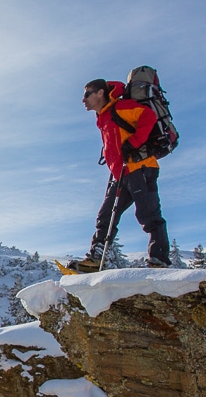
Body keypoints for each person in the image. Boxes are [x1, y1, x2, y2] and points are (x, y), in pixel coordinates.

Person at [73, 78, 171, 271]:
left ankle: (160, 260)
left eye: (87, 94)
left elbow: (148, 116)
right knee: (105, 217)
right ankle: (95, 260)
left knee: (149, 215)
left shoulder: (120, 107)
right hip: (121, 174)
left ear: (100, 93)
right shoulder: (104, 117)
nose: (83, 100)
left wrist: (134, 143)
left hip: (140, 168)